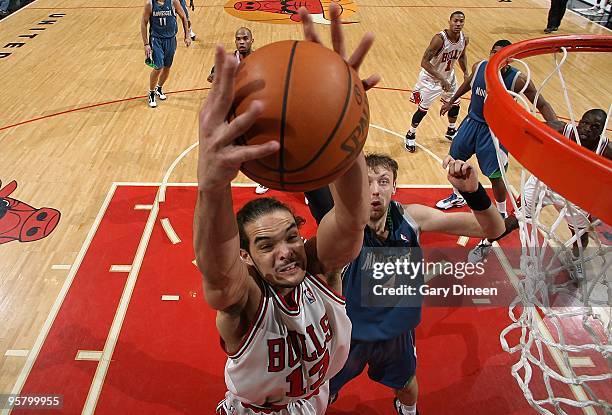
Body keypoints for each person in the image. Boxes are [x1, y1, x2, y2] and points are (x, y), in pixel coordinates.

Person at [194, 5, 382, 413]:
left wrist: (343, 118)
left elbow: (351, 217)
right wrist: (212, 186)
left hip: (314, 401)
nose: (286, 250)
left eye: (292, 236)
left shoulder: (320, 272)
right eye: (265, 244)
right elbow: (218, 273)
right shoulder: (243, 303)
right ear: (245, 256)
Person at [302, 153, 505, 415]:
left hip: (396, 335)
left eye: (384, 182)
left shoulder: (411, 218)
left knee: (407, 387)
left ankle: (407, 411)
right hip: (349, 335)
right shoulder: (344, 226)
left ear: (395, 187)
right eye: (367, 182)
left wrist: (474, 192)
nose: (375, 191)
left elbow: (493, 229)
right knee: (324, 392)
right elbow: (320, 191)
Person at [468, 108, 609, 265]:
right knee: (515, 220)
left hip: (576, 193)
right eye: (585, 123)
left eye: (595, 127)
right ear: (579, 122)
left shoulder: (606, 150)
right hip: (544, 183)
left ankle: (576, 261)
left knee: (580, 234)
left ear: (602, 131)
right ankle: (485, 243)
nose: (587, 129)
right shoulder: (561, 129)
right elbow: (526, 128)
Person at [435, 39, 558, 216]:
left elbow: (543, 104)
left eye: (503, 53)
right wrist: (451, 101)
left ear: (511, 58)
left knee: (495, 176)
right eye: (494, 51)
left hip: (494, 131)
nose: (497, 56)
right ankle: (457, 196)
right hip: (471, 122)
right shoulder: (479, 67)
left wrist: (555, 131)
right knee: (453, 162)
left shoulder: (518, 79)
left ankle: (501, 212)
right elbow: (468, 84)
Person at [206, 27, 270, 195]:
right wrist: (215, 77)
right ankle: (222, 181)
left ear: (252, 40)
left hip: (253, 109)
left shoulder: (259, 59)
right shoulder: (228, 60)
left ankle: (264, 179)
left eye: (245, 38)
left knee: (260, 145)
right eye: (238, 39)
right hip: (234, 110)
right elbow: (213, 73)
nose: (242, 41)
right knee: (226, 147)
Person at [404, 11, 470, 152]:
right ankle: (410, 133)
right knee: (423, 109)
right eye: (455, 21)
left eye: (461, 21)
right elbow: (424, 62)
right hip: (431, 79)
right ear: (449, 21)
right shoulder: (439, 39)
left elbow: (462, 56)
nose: (458, 24)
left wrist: (465, 73)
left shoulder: (464, 38)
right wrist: (441, 78)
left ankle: (451, 130)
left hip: (449, 77)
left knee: (455, 103)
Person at [141, 0, 191, 108]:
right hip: (156, 40)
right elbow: (144, 23)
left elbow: (183, 17)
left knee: (167, 67)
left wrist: (187, 36)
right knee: (158, 67)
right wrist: (146, 44)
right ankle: (151, 92)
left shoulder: (173, 2)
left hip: (171, 39)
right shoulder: (149, 4)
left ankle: (159, 88)